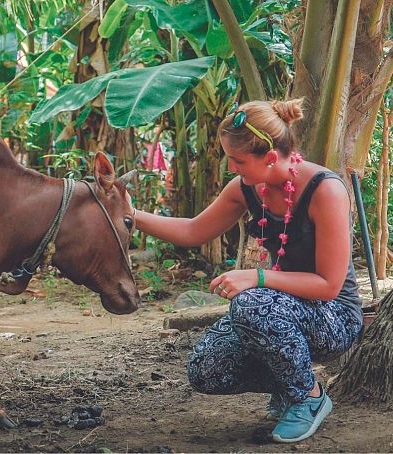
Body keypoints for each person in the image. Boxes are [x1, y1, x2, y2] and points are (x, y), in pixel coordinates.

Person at [133, 99, 363, 443]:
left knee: (251, 303)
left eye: (239, 161)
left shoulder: (325, 190)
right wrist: (129, 215)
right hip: (279, 309)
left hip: (334, 317)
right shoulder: (246, 188)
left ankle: (309, 398)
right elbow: (194, 231)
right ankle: (291, 384)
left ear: (270, 158)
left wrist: (255, 277)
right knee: (206, 369)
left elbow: (329, 285)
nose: (231, 167)